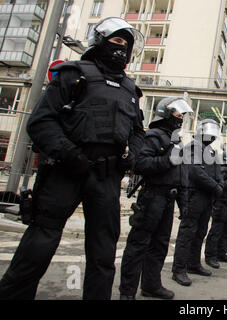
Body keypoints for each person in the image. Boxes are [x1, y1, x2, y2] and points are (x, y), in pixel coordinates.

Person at [0, 17, 145, 300]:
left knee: (103, 253)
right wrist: (70, 154)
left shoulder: (130, 90)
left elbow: (138, 132)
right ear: (100, 42)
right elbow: (41, 122)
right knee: (40, 243)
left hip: (106, 177)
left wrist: (133, 156)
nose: (122, 49)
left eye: (126, 45)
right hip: (65, 171)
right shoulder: (73, 73)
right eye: (116, 41)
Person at [119, 97, 193, 300]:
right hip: (152, 198)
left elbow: (182, 175)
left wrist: (184, 203)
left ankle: (151, 285)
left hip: (169, 200)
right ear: (166, 114)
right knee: (138, 245)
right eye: (178, 114)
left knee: (160, 245)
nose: (181, 118)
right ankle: (127, 292)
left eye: (182, 115)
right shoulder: (153, 136)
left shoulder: (176, 140)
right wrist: (167, 160)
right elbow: (140, 164)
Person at [171, 119, 223, 287]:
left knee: (200, 232)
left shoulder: (211, 152)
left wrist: (219, 185)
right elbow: (195, 171)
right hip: (194, 195)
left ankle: (193, 264)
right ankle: (179, 269)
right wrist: (216, 186)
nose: (212, 136)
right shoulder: (193, 148)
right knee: (187, 234)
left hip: (207, 197)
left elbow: (218, 173)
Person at [205, 148, 227, 269]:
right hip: (222, 204)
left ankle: (221, 253)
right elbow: (219, 186)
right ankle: (210, 256)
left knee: (226, 231)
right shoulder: (223, 170)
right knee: (216, 231)